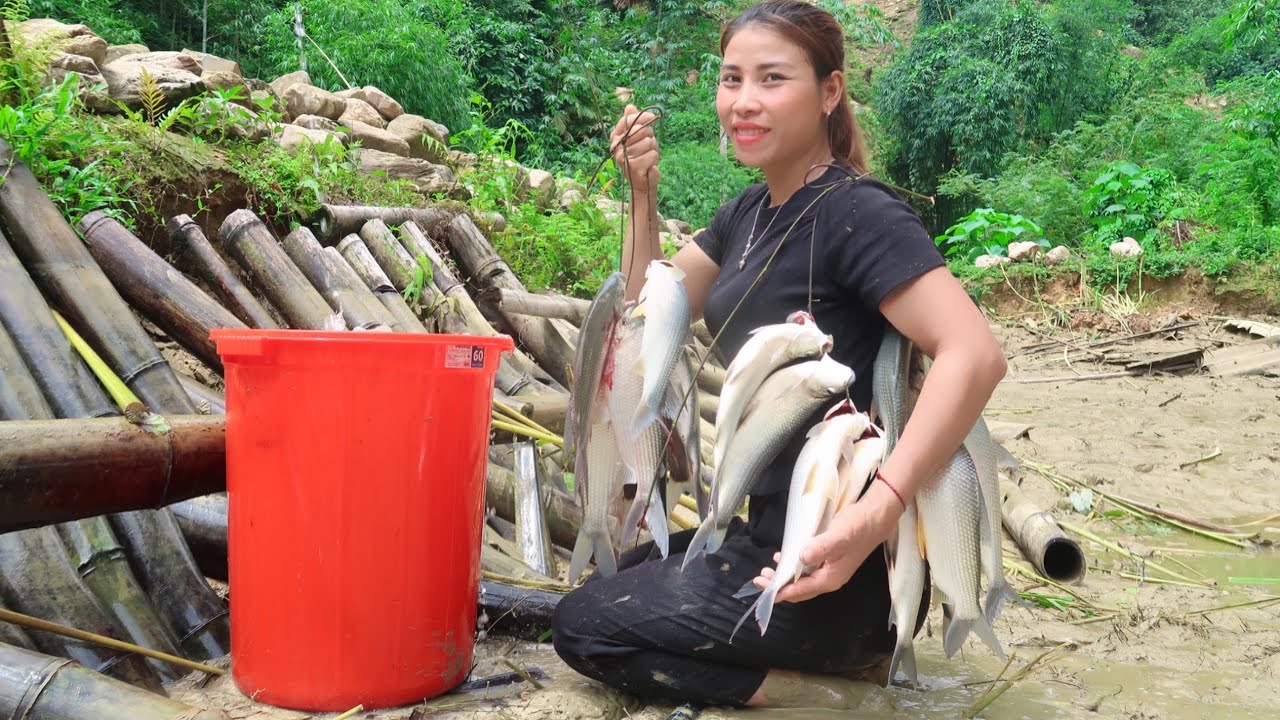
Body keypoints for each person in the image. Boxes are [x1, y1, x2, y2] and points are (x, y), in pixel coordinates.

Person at [551, 0, 1008, 709]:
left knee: (584, 628)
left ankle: (832, 697)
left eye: (771, 79)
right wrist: (642, 194)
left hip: (837, 559)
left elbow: (974, 354)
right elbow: (648, 310)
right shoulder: (747, 214)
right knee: (611, 583)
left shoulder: (859, 212)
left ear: (829, 92)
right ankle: (845, 669)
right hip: (765, 532)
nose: (744, 101)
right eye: (731, 79)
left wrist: (874, 516)